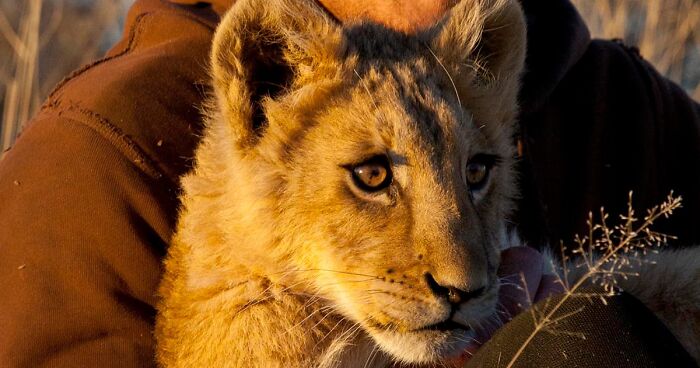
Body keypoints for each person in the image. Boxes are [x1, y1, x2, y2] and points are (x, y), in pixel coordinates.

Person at [0, 0, 698, 366]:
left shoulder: (613, 102)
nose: (459, 270)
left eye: (478, 172)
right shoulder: (98, 152)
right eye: (371, 176)